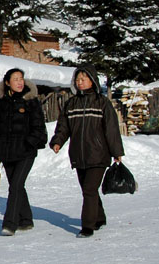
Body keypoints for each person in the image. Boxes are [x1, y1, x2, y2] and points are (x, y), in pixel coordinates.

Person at [49, 64, 124, 238]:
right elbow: (63, 126)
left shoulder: (101, 102)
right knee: (88, 189)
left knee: (89, 189)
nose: (80, 82)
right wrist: (57, 141)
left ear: (93, 81)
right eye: (78, 79)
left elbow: (111, 129)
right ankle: (99, 217)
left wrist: (116, 152)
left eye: (84, 79)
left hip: (98, 153)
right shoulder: (72, 103)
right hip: (78, 154)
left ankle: (88, 226)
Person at [0, 68, 48, 236]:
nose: (20, 82)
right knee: (17, 185)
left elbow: (38, 126)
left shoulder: (31, 101)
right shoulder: (0, 101)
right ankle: (26, 220)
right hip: (7, 151)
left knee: (15, 186)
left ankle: (10, 224)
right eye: (15, 79)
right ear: (7, 82)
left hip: (26, 152)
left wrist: (30, 143)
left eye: (21, 78)